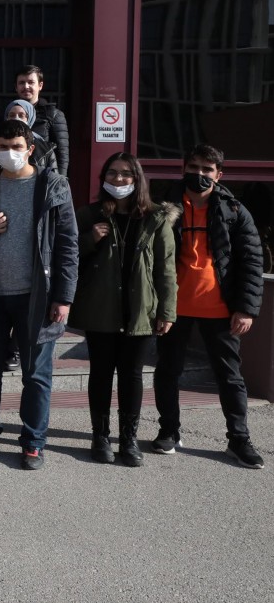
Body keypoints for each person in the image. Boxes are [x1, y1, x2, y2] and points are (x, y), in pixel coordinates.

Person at [0, 120, 78, 470]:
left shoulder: (53, 186)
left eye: (16, 147)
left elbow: (68, 245)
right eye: (2, 147)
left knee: (36, 375)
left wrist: (64, 297)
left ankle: (33, 442)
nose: (9, 153)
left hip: (37, 296)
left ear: (30, 149)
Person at [153, 145, 264, 469]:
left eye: (207, 170)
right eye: (194, 167)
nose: (199, 174)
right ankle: (169, 431)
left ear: (219, 175)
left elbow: (252, 260)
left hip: (219, 308)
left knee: (230, 377)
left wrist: (246, 308)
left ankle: (238, 439)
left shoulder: (234, 210)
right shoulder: (164, 205)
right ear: (183, 168)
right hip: (173, 307)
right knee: (167, 371)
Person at [70, 152, 177, 466]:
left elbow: (166, 269)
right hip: (100, 307)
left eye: (126, 174)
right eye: (112, 173)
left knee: (132, 375)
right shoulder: (90, 214)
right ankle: (100, 437)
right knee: (101, 373)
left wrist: (167, 311)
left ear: (137, 178)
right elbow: (68, 255)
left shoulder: (155, 217)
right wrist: (89, 239)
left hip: (140, 308)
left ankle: (128, 439)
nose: (118, 179)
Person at [15, 64, 70, 177]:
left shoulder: (53, 115)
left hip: (43, 177)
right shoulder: (9, 113)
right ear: (16, 87)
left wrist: (60, 181)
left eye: (31, 82)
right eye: (21, 83)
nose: (26, 86)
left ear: (40, 85)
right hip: (13, 175)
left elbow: (62, 154)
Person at [0, 99, 57, 174]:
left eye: (21, 115)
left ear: (30, 119)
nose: (16, 119)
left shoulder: (45, 149)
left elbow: (53, 177)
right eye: (12, 115)